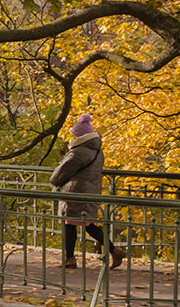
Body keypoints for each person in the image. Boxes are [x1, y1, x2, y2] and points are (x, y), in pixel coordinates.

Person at [50, 113, 126, 269]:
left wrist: (54, 181)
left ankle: (71, 258)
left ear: (79, 136)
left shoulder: (79, 152)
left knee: (69, 223)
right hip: (90, 191)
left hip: (75, 192)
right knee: (87, 224)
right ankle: (113, 251)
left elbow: (62, 172)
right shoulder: (97, 151)